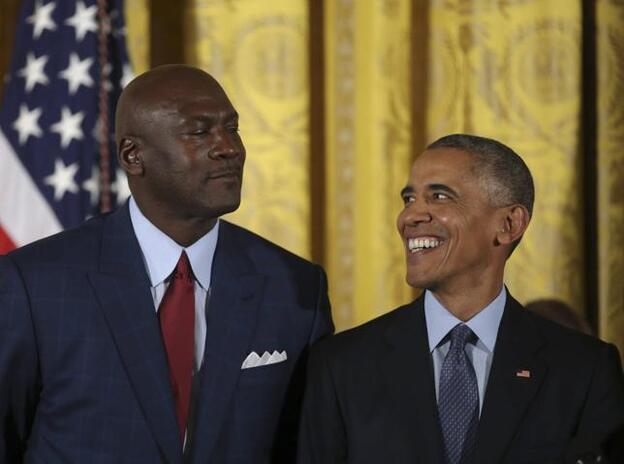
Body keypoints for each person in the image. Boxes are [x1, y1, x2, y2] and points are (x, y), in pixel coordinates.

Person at [0, 64, 333, 463]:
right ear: (133, 155)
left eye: (232, 128)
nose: (229, 147)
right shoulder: (36, 284)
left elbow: (309, 448)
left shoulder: (296, 287)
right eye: (199, 131)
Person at [297, 134, 624, 464]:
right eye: (409, 199)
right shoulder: (342, 366)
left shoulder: (584, 370)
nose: (409, 217)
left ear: (509, 224)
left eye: (439, 196)